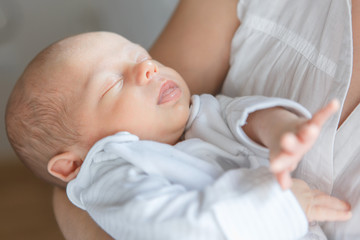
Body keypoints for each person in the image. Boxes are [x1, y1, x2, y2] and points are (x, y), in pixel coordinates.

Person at [51, 0, 360, 239]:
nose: (149, 68)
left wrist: (280, 130)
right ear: (72, 165)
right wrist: (286, 208)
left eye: (140, 55)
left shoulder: (190, 114)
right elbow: (175, 229)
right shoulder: (113, 168)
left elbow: (236, 114)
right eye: (113, 85)